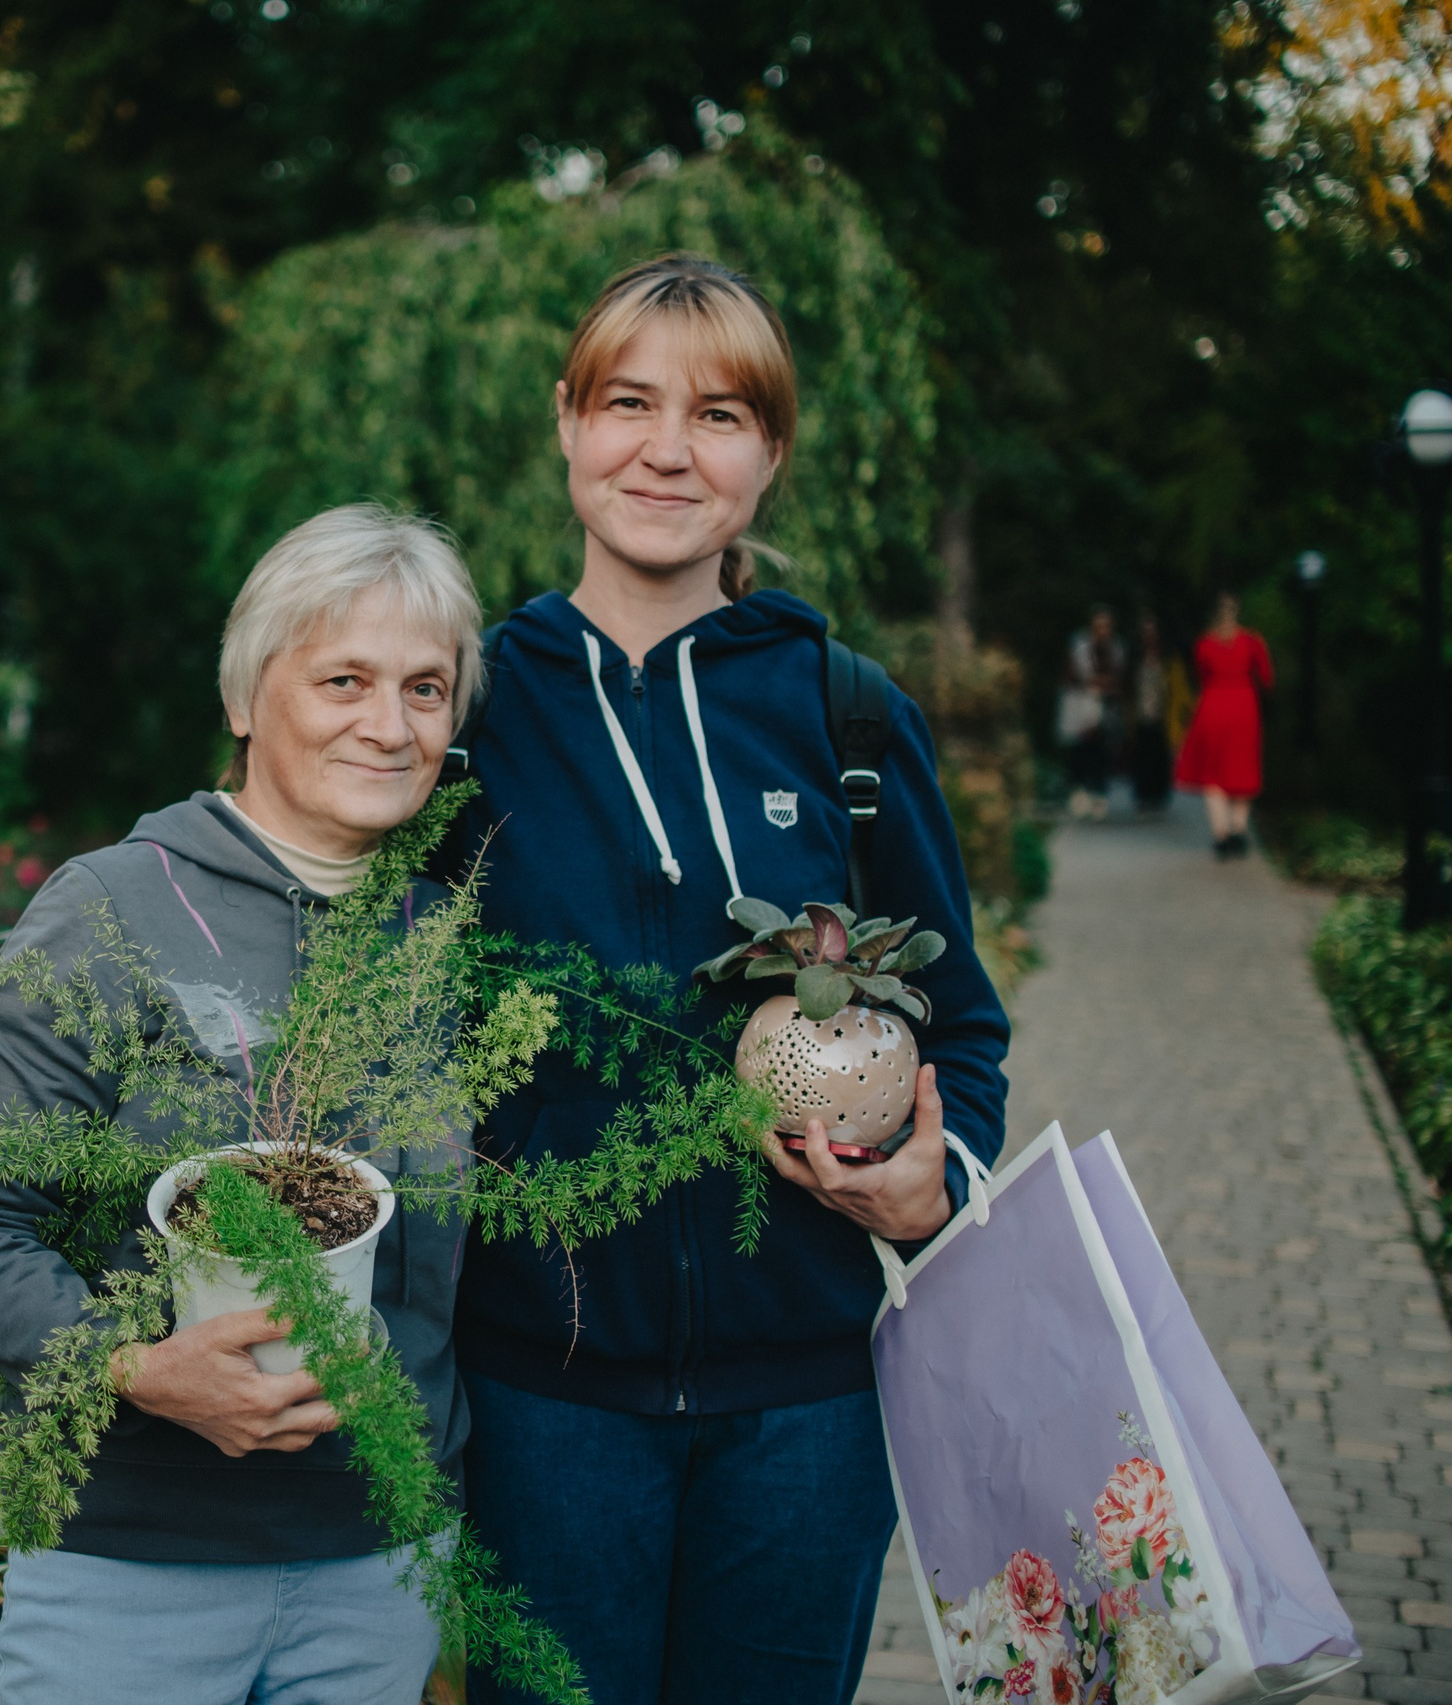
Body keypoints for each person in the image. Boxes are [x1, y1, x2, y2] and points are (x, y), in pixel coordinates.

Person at [444, 253, 1011, 1704]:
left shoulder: (843, 707)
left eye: (720, 415)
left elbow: (964, 1024)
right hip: (542, 1401)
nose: (667, 450)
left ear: (769, 453)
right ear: (567, 421)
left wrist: (937, 1183)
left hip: (808, 1402)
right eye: (628, 402)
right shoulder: (467, 710)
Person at [0, 504, 484, 1705]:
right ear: (243, 697)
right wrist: (136, 1365)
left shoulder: (441, 940)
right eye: (343, 679)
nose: (388, 725)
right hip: (133, 1570)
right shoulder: (111, 910)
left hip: (380, 1569)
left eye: (425, 689)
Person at [1172, 592, 1273, 858]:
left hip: (1213, 705)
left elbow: (1200, 675)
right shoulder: (1252, 641)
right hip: (1243, 706)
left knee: (1213, 774)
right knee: (1242, 769)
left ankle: (1221, 834)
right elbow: (1266, 677)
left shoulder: (1204, 644)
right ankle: (1239, 830)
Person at [1059, 608, 1125, 819]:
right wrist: (1097, 682)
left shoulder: (1116, 648)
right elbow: (1073, 675)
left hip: (1104, 707)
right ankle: (1079, 792)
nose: (1102, 631)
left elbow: (1119, 678)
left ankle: (1099, 794)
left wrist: (1103, 684)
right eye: (1099, 626)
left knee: (1102, 751)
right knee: (1079, 749)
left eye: (1106, 626)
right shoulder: (1079, 645)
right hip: (1079, 705)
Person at [1129, 614, 1177, 814]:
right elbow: (1128, 686)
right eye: (1145, 632)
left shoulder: (1167, 659)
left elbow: (1175, 687)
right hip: (1140, 712)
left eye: (1152, 632)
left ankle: (1159, 795)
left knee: (1160, 756)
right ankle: (1143, 795)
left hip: (1162, 713)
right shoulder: (1135, 659)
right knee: (1142, 755)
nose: (1149, 636)